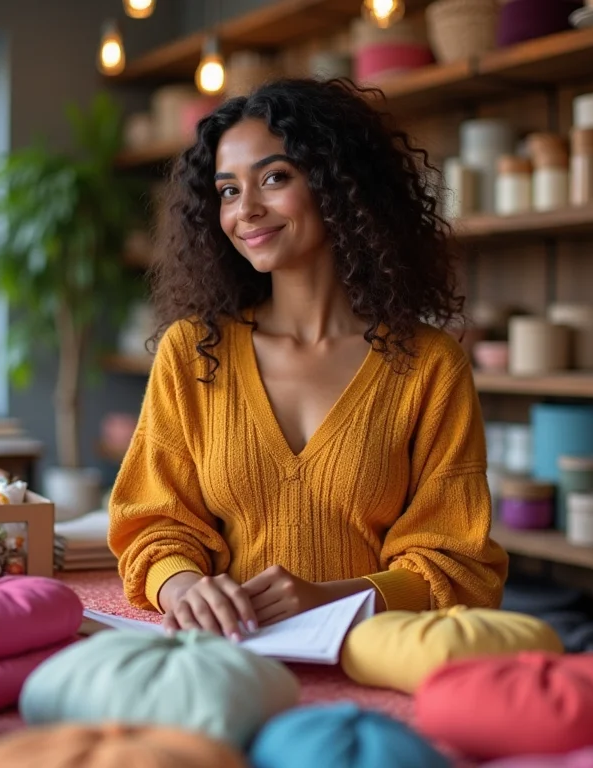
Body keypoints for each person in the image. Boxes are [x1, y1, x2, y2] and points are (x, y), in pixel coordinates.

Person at [108, 77, 509, 640]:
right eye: (227, 190)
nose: (245, 210)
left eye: (274, 178)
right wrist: (184, 586)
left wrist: (331, 599)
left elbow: (456, 560)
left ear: (339, 186)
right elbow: (153, 523)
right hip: (228, 660)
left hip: (373, 659)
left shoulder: (429, 365)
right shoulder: (194, 353)